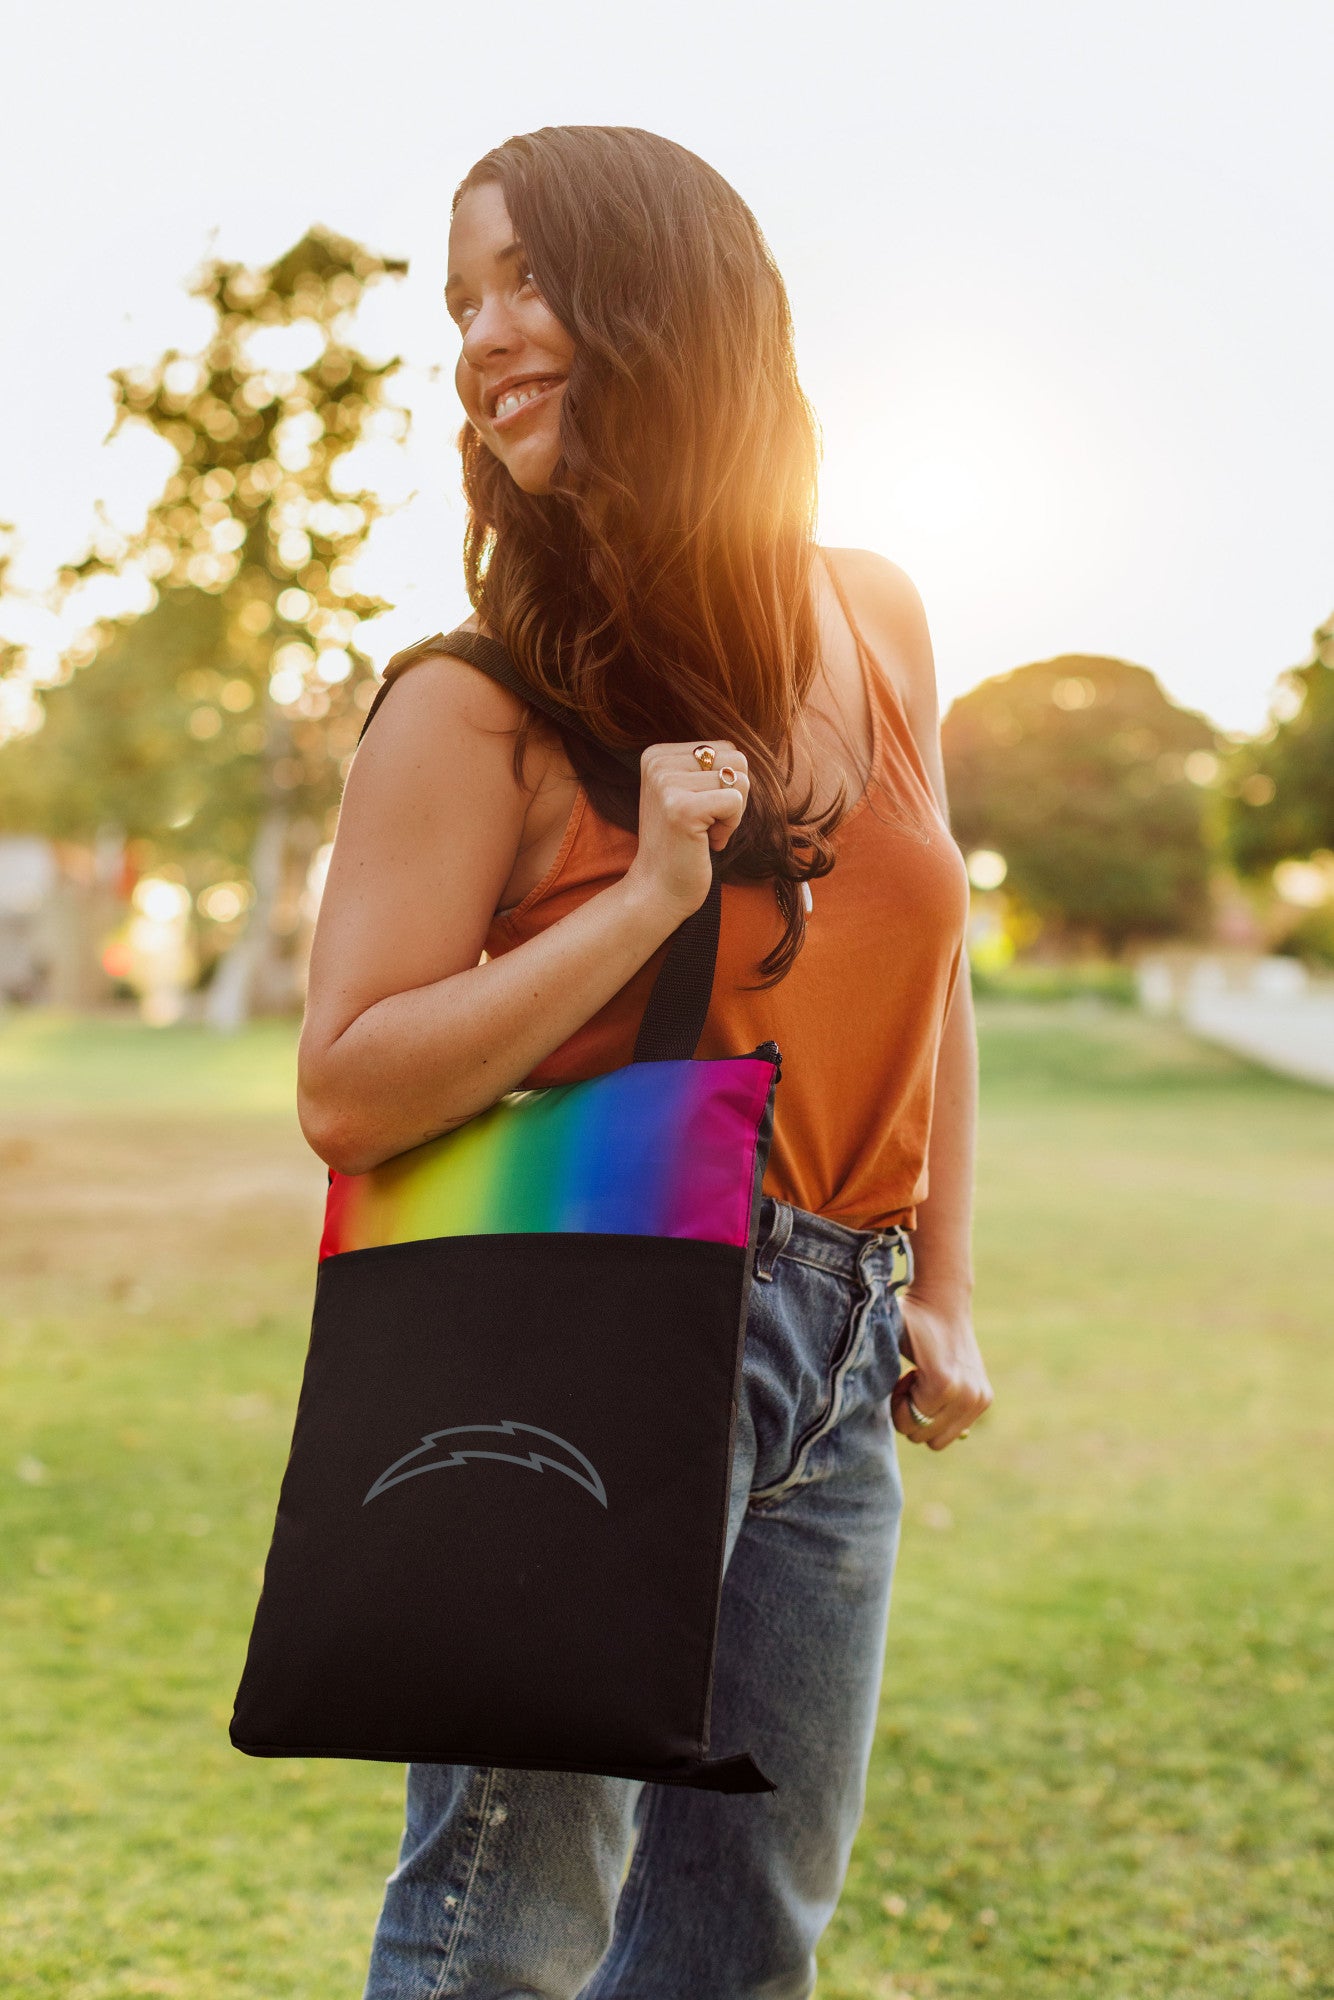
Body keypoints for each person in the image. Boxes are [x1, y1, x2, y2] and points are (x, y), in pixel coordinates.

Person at [297, 124, 993, 2000]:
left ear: (668, 305)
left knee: (739, 1936)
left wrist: (935, 1286)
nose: (481, 334)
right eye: (460, 300)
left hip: (833, 1347)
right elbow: (347, 1088)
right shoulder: (475, 700)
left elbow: (927, 984)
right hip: (596, 1312)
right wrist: (642, 898)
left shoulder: (877, 615)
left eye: (524, 281)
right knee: (505, 1923)